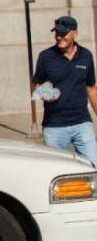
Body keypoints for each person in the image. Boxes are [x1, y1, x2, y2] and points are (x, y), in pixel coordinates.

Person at [32, 15, 97, 166]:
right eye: (57, 33)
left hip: (82, 122)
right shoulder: (46, 57)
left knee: (94, 166)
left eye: (64, 33)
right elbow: (35, 85)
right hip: (55, 125)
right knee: (57, 170)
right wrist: (44, 93)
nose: (59, 37)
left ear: (75, 33)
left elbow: (91, 89)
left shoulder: (86, 56)